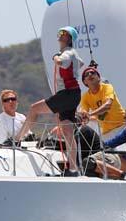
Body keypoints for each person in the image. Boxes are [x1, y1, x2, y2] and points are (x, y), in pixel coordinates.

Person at [16, 26, 83, 176]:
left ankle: (16, 140)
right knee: (67, 130)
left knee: (34, 109)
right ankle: (73, 169)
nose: (59, 35)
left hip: (66, 93)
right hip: (73, 94)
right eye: (59, 33)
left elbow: (61, 62)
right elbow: (81, 63)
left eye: (63, 34)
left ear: (69, 38)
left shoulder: (66, 53)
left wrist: (54, 57)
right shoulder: (73, 53)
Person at [78, 65, 125, 142]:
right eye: (86, 74)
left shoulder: (107, 87)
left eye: (92, 73)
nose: (90, 74)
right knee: (105, 152)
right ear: (85, 82)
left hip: (123, 125)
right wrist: (82, 116)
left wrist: (89, 114)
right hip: (107, 132)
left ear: (98, 78)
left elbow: (107, 105)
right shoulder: (85, 97)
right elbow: (84, 114)